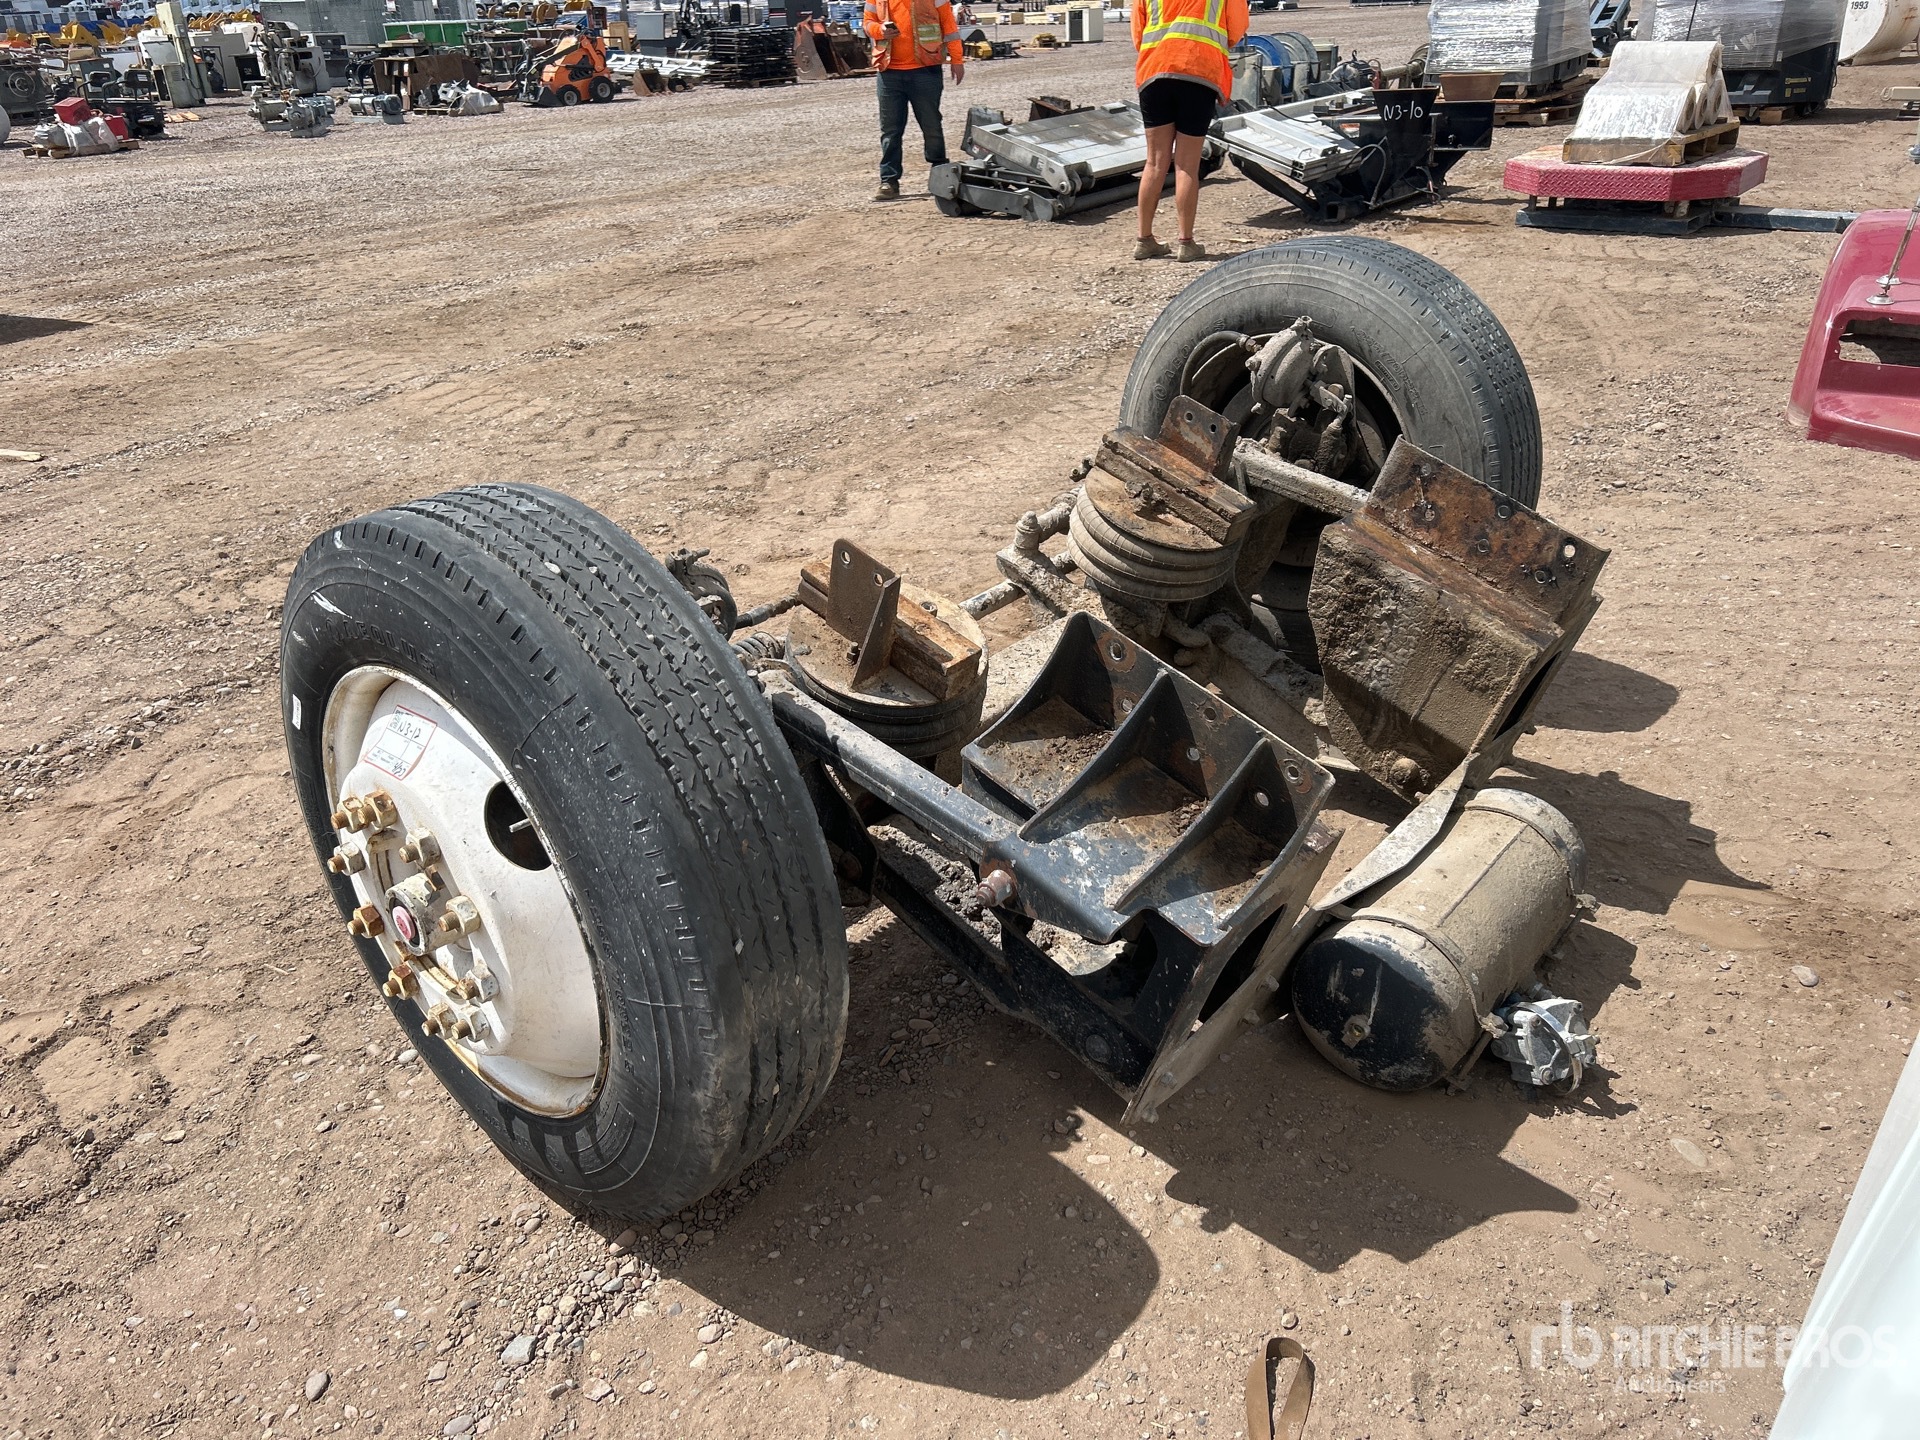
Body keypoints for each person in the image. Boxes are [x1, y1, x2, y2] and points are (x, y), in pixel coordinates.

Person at [1131, 0, 1247, 261]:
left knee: (1155, 162)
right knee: (1186, 164)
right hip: (1199, 71)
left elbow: (1138, 35)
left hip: (1155, 72)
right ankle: (1186, 243)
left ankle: (1144, 240)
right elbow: (1235, 31)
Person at [864, 0, 965, 202]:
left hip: (925, 69)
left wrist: (957, 59)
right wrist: (880, 30)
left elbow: (949, 27)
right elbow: (867, 24)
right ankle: (889, 181)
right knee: (890, 130)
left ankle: (941, 173)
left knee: (931, 125)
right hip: (889, 71)